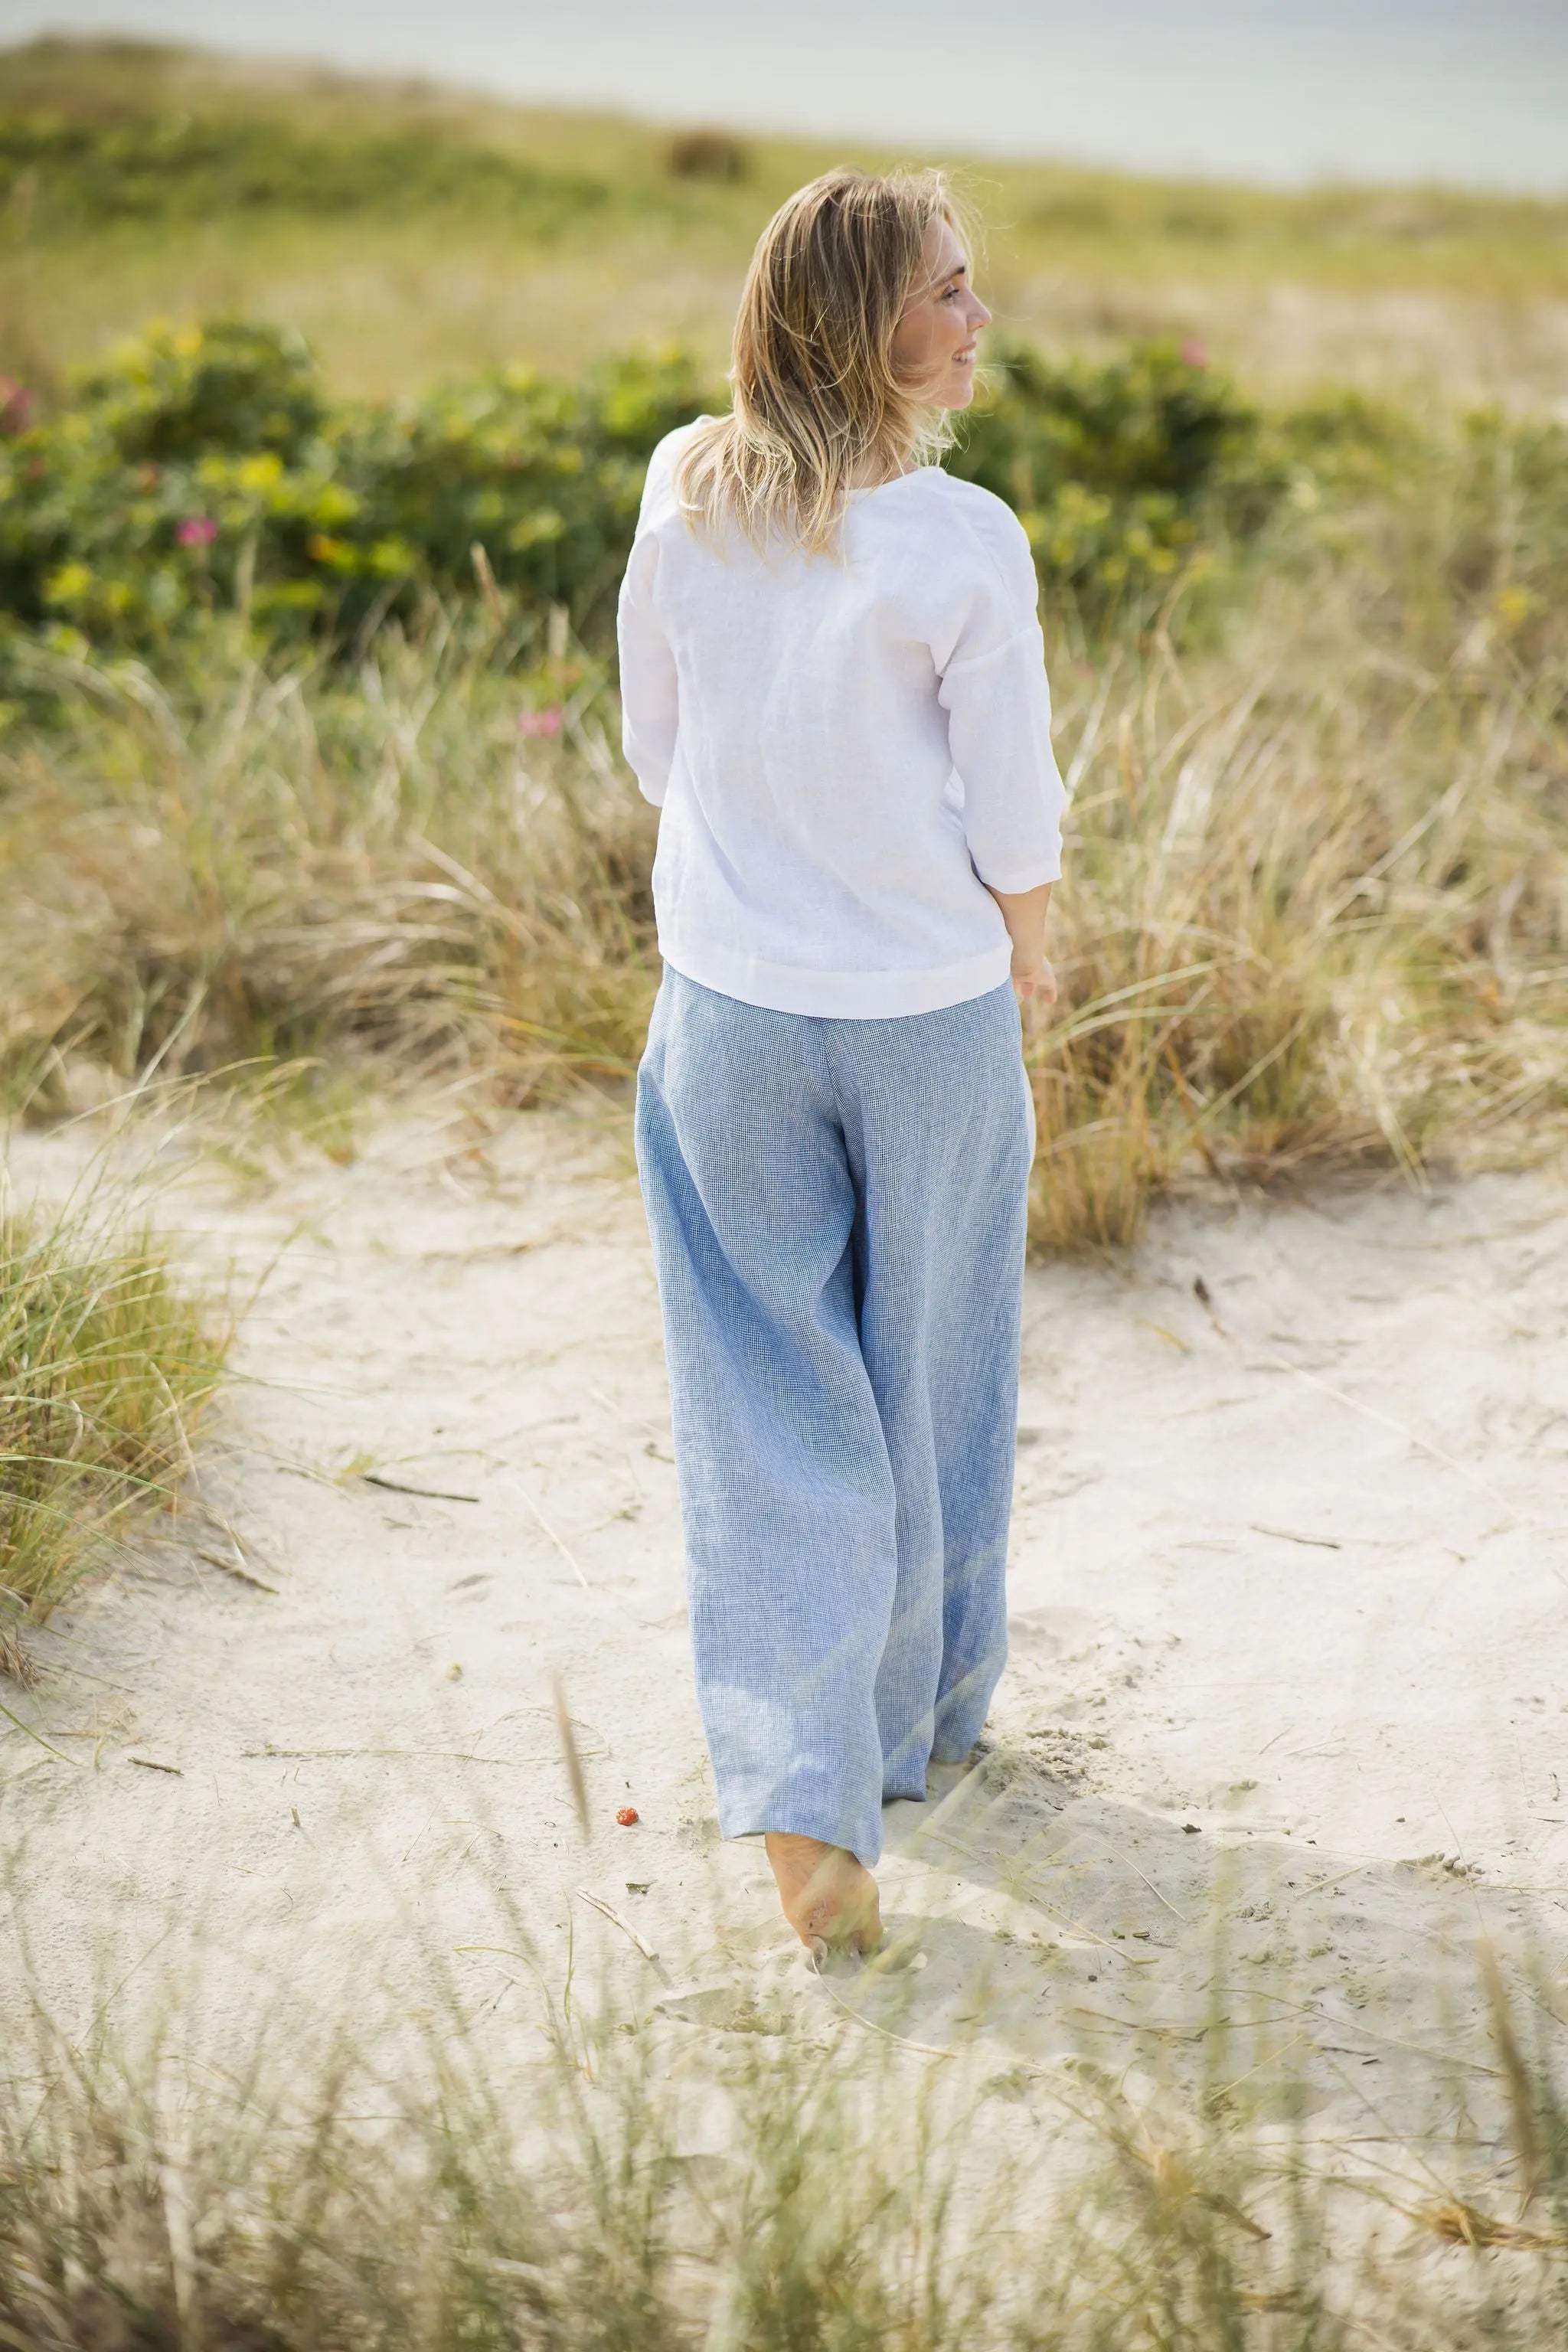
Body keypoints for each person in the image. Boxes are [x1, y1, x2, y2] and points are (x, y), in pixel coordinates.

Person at [618, 167, 1065, 1957]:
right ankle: (910, 1737)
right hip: (931, 1016)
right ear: (858, 319)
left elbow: (660, 750)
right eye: (944, 293)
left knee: (764, 1399)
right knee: (932, 1371)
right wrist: (1026, 936)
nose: (975, 322)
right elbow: (1013, 808)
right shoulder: (968, 543)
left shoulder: (680, 483)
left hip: (726, 1010)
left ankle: (808, 1789)